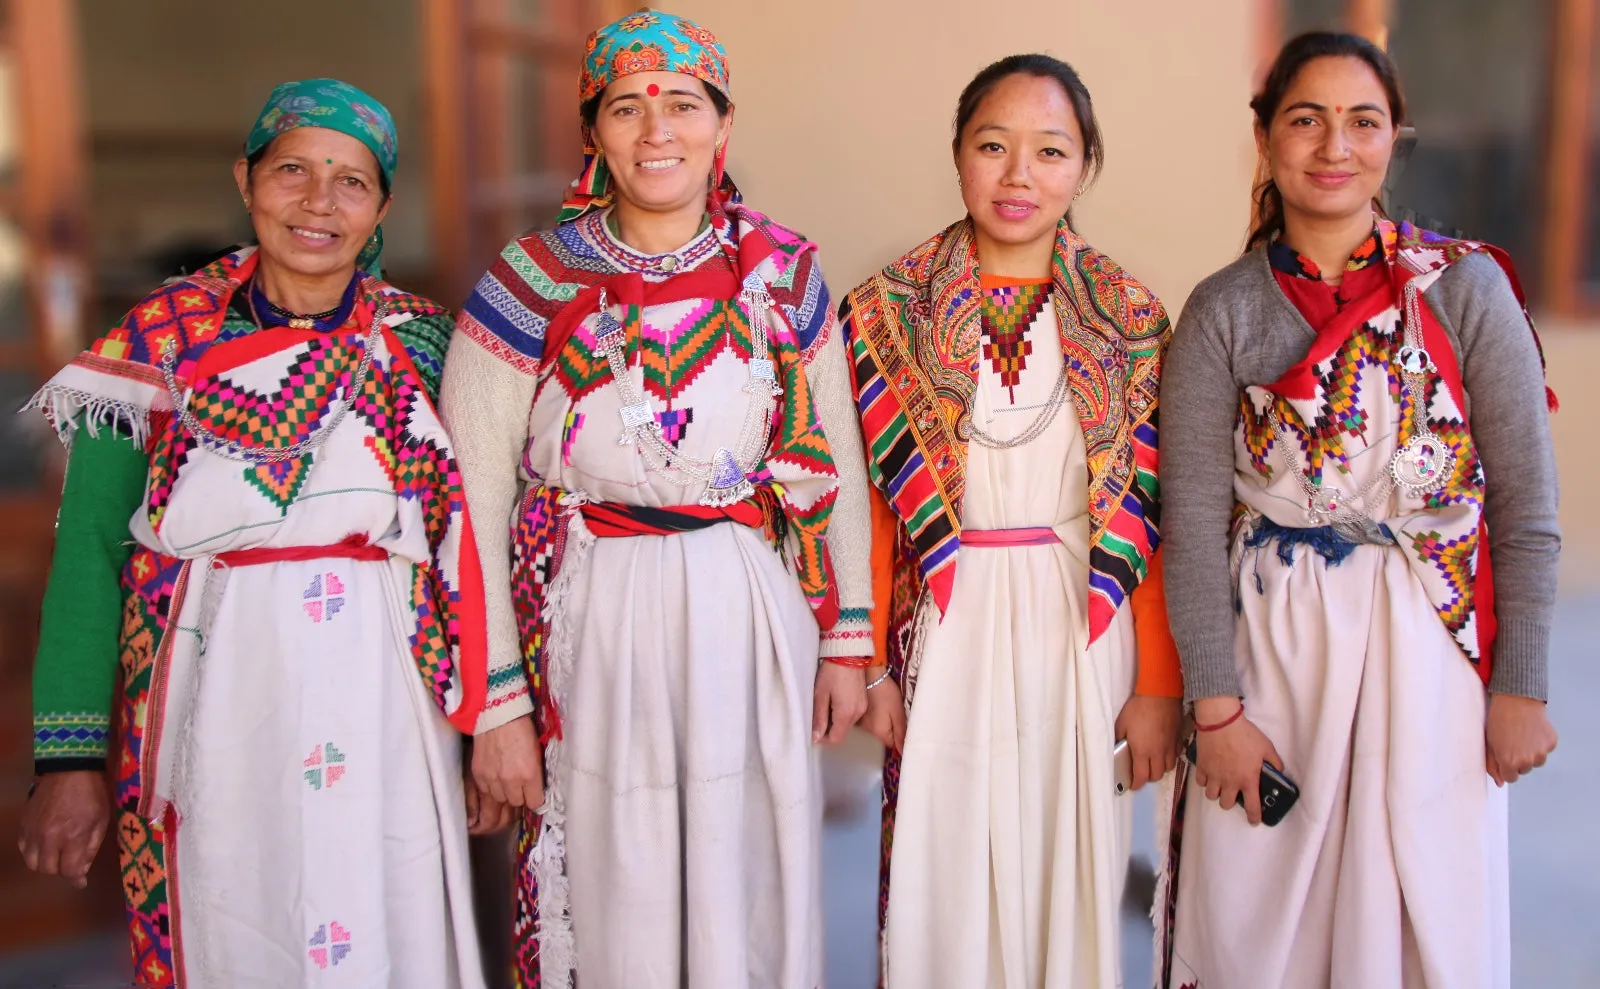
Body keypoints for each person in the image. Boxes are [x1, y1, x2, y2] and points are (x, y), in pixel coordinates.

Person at [17, 79, 489, 988]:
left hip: (390, 700)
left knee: (386, 916)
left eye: (352, 181)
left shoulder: (427, 349)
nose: (320, 201)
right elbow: (89, 558)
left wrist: (490, 727)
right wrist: (67, 758)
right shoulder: (153, 347)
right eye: (293, 171)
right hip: (218, 695)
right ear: (246, 179)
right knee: (236, 915)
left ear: (382, 205)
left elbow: (470, 552)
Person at [440, 11, 876, 988]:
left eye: (683, 104)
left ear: (723, 126)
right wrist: (497, 702)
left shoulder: (782, 272)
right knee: (611, 874)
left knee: (748, 875)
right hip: (594, 613)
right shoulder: (530, 281)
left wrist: (848, 637)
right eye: (627, 107)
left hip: (743, 609)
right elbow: (468, 495)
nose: (656, 130)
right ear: (592, 131)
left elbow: (834, 458)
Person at [1156, 31, 1560, 989]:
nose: (1334, 146)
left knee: (1425, 917)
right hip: (1276, 657)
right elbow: (1195, 522)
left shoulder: (1467, 290)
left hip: (1436, 654)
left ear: (1394, 141)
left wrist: (1522, 684)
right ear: (1265, 139)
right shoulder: (1222, 311)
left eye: (1362, 123)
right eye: (1306, 120)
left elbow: (1525, 503)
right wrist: (1214, 710)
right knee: (1262, 922)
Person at [843, 53, 1183, 989]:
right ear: (957, 155)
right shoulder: (886, 310)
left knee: (1069, 868)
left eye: (1050, 150)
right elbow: (869, 509)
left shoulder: (1130, 320)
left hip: (1084, 625)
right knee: (941, 872)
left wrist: (1156, 684)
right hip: (940, 626)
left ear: (1084, 166)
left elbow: (1150, 520)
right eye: (993, 146)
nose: (1018, 174)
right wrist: (870, 664)